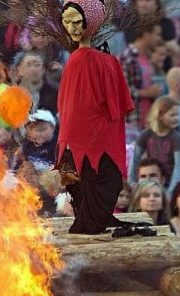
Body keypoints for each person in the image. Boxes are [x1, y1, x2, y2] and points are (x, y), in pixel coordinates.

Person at [55, 0, 135, 234]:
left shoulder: (91, 58)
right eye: (66, 22)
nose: (72, 27)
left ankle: (89, 225)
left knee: (101, 186)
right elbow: (76, 107)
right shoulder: (83, 59)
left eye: (77, 21)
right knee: (102, 184)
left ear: (91, 21)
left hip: (93, 137)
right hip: (89, 141)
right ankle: (87, 228)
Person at [129, 96, 180, 193]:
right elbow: (135, 159)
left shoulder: (176, 138)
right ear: (160, 115)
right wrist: (132, 182)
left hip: (168, 184)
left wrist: (171, 192)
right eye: (172, 115)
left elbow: (179, 167)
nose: (176, 119)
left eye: (177, 115)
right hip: (150, 181)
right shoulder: (146, 135)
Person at [120, 23, 163, 138]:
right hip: (132, 123)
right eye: (157, 34)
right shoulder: (128, 56)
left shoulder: (148, 57)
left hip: (147, 121)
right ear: (146, 34)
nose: (159, 39)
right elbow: (120, 91)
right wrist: (146, 93)